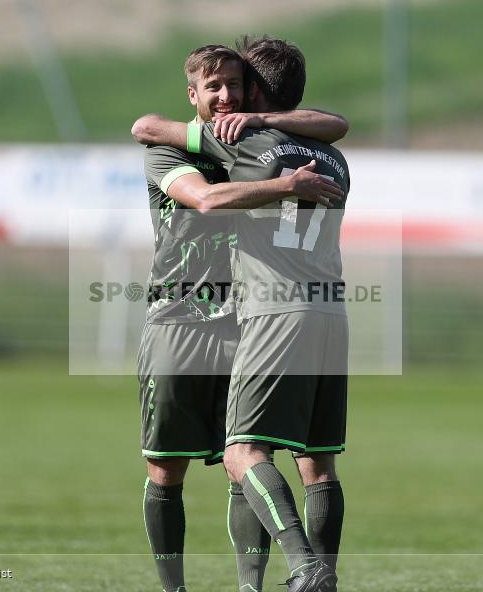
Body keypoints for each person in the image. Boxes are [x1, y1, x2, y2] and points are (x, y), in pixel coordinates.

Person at [132, 36, 349, 592]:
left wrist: (258, 127)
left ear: (254, 91)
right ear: (193, 94)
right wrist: (287, 182)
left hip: (251, 318)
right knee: (168, 467)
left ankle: (256, 585)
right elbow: (160, 146)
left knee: (246, 460)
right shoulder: (179, 151)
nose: (225, 96)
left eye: (234, 84)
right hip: (181, 317)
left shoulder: (252, 141)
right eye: (214, 86)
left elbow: (330, 122)